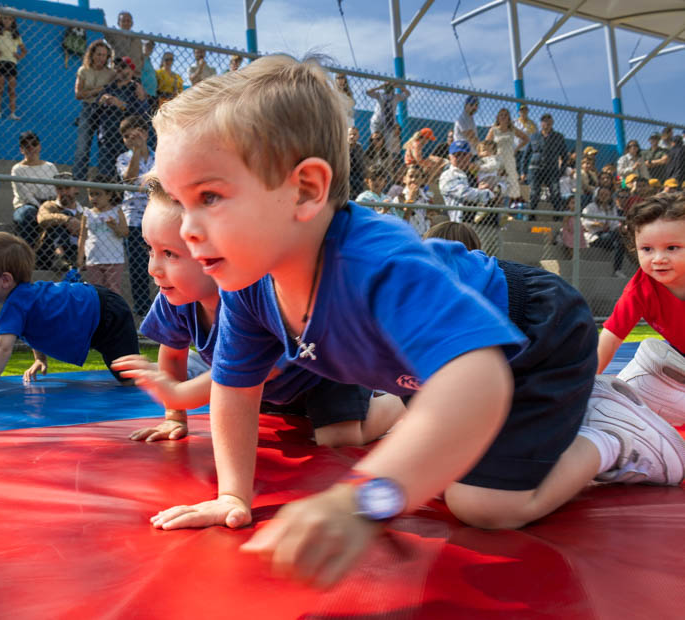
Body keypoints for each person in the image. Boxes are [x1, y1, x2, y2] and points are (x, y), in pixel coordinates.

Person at [147, 55, 685, 587]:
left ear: (306, 190)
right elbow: (234, 389)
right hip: (439, 367)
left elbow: (477, 380)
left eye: (209, 197)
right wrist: (233, 495)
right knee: (431, 462)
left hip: (534, 336)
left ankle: (613, 434)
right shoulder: (247, 283)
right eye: (180, 202)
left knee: (482, 506)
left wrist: (363, 499)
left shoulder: (373, 263)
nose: (189, 231)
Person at [113, 179, 401, 446]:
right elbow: (172, 354)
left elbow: (251, 368)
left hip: (319, 376)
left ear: (217, 253)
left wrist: (179, 394)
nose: (153, 268)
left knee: (338, 440)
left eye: (170, 254)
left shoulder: (255, 296)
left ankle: (399, 404)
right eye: (150, 249)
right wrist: (174, 417)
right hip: (268, 391)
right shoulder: (175, 298)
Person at [0, 232, 139, 401]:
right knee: (126, 372)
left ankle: (163, 370)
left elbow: (1, 348)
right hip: (97, 311)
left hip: (107, 313)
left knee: (131, 379)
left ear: (5, 280)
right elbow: (37, 326)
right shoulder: (25, 299)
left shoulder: (17, 303)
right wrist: (40, 359)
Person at [596, 194, 685, 425]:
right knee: (644, 362)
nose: (658, 258)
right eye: (647, 249)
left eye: (672, 248)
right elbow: (610, 338)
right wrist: (585, 382)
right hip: (680, 356)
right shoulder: (641, 289)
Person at [115, 115, 155, 317]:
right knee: (139, 267)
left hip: (157, 217)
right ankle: (142, 309)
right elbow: (130, 179)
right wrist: (137, 151)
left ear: (146, 134)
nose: (131, 139)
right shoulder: (123, 158)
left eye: (136, 134)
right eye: (126, 136)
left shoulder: (160, 156)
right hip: (134, 219)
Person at [10, 131, 58, 266]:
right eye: (26, 145)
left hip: (48, 202)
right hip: (27, 204)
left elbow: (55, 189)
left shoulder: (50, 166)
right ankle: (26, 259)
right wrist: (40, 209)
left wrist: (48, 207)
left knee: (60, 215)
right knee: (28, 214)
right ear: (21, 150)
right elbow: (25, 195)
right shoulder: (17, 169)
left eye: (34, 144)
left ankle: (46, 261)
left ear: (40, 147)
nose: (30, 147)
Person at [97, 56, 149, 181]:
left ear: (131, 70)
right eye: (117, 67)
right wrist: (100, 102)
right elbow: (95, 113)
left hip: (125, 142)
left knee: (124, 180)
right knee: (106, 179)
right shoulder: (108, 88)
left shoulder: (136, 89)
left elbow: (141, 114)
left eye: (123, 67)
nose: (119, 69)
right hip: (106, 141)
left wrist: (121, 105)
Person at [77, 174, 129, 294]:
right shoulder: (87, 213)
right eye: (91, 194)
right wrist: (80, 257)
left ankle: (113, 313)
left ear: (109, 195)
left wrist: (114, 227)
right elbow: (82, 236)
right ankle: (98, 312)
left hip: (114, 260)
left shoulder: (117, 211)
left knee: (113, 291)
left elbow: (125, 232)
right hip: (93, 259)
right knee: (96, 291)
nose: (94, 198)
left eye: (98, 194)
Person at [73, 39, 115, 181]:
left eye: (104, 55)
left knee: (104, 147)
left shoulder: (111, 73)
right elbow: (78, 94)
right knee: (83, 148)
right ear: (91, 55)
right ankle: (79, 181)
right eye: (98, 54)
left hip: (104, 111)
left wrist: (91, 91)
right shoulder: (83, 70)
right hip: (87, 109)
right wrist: (99, 90)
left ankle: (104, 182)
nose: (101, 58)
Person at [37, 171, 84, 273]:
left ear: (76, 189)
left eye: (67, 188)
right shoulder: (49, 205)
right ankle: (60, 257)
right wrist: (67, 220)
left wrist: (80, 229)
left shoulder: (83, 211)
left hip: (76, 250)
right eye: (59, 189)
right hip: (49, 253)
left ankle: (73, 260)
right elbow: (42, 219)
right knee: (64, 215)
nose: (63, 193)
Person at [439, 140, 496, 223]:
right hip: (458, 223)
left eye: (464, 155)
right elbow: (464, 193)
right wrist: (488, 193)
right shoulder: (447, 175)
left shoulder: (472, 173)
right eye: (457, 155)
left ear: (469, 156)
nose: (461, 158)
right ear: (450, 157)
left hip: (480, 223)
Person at [0, 14, 26, 119]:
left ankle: (12, 113)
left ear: (13, 21)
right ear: (0, 19)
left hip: (12, 63)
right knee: (0, 87)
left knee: (11, 89)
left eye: (10, 19)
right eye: (5, 18)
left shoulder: (16, 35)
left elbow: (24, 50)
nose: (7, 21)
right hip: (0, 61)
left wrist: (19, 56)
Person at [527, 113, 567, 216]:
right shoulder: (534, 136)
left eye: (549, 121)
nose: (547, 123)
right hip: (536, 168)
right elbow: (526, 155)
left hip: (551, 169)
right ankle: (531, 214)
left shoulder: (558, 137)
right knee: (534, 192)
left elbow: (564, 156)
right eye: (544, 121)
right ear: (541, 123)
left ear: (552, 122)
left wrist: (561, 171)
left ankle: (558, 215)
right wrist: (524, 171)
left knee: (555, 191)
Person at [485, 108, 528, 203]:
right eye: (501, 115)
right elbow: (486, 144)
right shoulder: (494, 130)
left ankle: (507, 209)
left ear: (509, 118)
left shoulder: (512, 130)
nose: (503, 117)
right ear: (498, 117)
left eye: (506, 115)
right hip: (497, 159)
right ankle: (492, 204)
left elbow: (526, 138)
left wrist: (516, 149)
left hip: (509, 159)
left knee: (509, 183)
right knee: (496, 182)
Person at [582, 187, 625, 276]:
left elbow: (614, 223)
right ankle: (617, 269)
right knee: (616, 237)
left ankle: (617, 270)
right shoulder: (591, 207)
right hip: (595, 236)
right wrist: (596, 224)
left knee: (620, 243)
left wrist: (620, 228)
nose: (604, 196)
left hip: (610, 236)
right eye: (601, 194)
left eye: (606, 195)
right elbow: (584, 222)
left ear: (610, 196)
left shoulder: (612, 208)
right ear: (597, 196)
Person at [366, 80, 409, 155]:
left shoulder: (396, 97)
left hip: (389, 123)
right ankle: (374, 158)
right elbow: (368, 92)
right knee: (375, 140)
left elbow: (407, 94)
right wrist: (379, 87)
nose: (388, 88)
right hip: (377, 121)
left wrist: (399, 86)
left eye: (390, 86)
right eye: (387, 86)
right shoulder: (379, 95)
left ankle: (386, 161)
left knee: (388, 144)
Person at [392, 164, 432, 236]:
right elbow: (403, 222)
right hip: (408, 237)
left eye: (417, 176)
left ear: (422, 180)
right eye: (411, 176)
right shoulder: (399, 198)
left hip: (424, 237)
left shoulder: (426, 198)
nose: (414, 179)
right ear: (404, 179)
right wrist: (410, 199)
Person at [104, 10, 143, 78]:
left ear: (132, 23)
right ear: (119, 23)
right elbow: (105, 31)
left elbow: (141, 57)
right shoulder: (114, 35)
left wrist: (138, 68)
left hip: (135, 75)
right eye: (123, 21)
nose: (126, 23)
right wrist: (102, 16)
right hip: (119, 74)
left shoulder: (138, 39)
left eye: (128, 21)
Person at [514, 104, 537, 182]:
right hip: (516, 148)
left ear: (527, 111)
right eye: (521, 110)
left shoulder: (532, 124)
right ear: (519, 112)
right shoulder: (514, 122)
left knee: (525, 167)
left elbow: (534, 135)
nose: (523, 112)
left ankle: (524, 181)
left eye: (525, 110)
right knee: (516, 166)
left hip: (527, 149)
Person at [347, 126, 366, 199]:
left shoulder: (359, 147)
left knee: (359, 183)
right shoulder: (343, 146)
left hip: (357, 175)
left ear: (358, 136)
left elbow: (361, 164)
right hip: (346, 174)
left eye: (354, 135)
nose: (352, 136)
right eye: (350, 134)